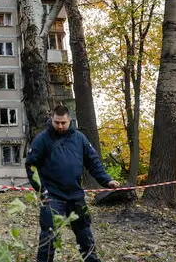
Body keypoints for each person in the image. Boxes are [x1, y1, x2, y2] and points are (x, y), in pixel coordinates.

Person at [26, 105, 120, 262]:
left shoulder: (79, 138)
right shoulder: (42, 139)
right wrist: (42, 190)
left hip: (76, 196)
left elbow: (93, 161)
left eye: (63, 122)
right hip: (52, 196)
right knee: (49, 236)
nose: (60, 126)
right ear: (52, 120)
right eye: (57, 122)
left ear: (70, 120)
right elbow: (31, 166)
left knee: (85, 236)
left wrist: (107, 180)